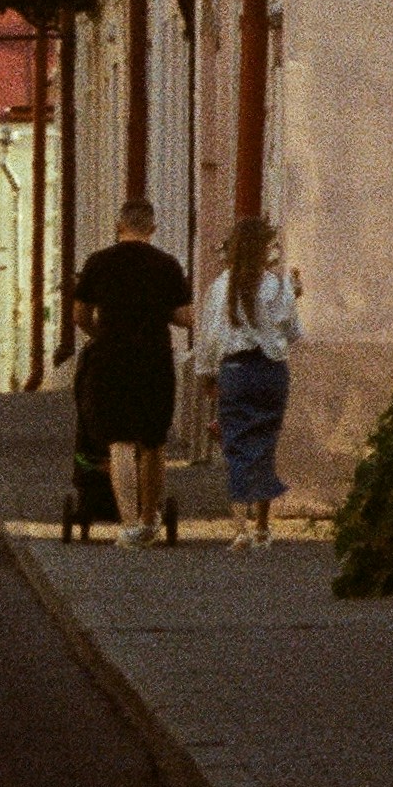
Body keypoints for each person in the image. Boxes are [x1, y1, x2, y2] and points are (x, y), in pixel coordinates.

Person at [68, 192, 195, 545]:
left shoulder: (97, 263)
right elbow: (184, 317)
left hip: (110, 360)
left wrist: (101, 334)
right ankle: (149, 519)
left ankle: (128, 525)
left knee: (119, 441)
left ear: (119, 226)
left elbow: (79, 314)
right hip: (154, 358)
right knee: (153, 442)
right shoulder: (167, 265)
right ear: (152, 229)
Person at [198, 213, 303, 543]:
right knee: (264, 443)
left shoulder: (220, 287)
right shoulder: (276, 285)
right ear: (265, 249)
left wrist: (206, 374)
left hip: (235, 371)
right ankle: (262, 527)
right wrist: (293, 294)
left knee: (237, 445)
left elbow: (210, 337)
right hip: (271, 371)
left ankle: (240, 528)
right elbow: (292, 332)